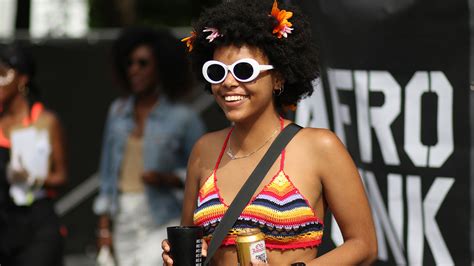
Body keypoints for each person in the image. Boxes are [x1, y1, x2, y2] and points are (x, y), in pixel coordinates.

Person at [162, 0, 378, 265]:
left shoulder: (320, 147)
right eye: (217, 72)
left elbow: (364, 245)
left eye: (244, 70)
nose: (229, 82)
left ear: (278, 78)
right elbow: (192, 243)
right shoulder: (203, 150)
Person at [93, 27, 205, 266]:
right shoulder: (118, 112)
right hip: (123, 216)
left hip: (162, 215)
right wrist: (104, 229)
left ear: (161, 68)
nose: (134, 69)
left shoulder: (183, 118)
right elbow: (107, 175)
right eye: (129, 63)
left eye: (143, 63)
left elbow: (205, 175)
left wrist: (169, 178)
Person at [0, 44, 67, 266]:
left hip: (37, 227)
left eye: (2, 74)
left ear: (22, 79)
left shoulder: (45, 122)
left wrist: (31, 177)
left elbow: (61, 176)